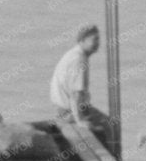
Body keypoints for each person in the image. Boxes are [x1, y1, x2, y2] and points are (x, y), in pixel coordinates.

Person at [48, 24, 117, 154]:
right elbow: (76, 94)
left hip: (64, 108)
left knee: (105, 123)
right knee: (110, 125)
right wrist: (79, 120)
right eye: (94, 39)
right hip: (70, 110)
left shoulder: (73, 55)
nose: (97, 43)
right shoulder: (79, 60)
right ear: (82, 40)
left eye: (98, 39)